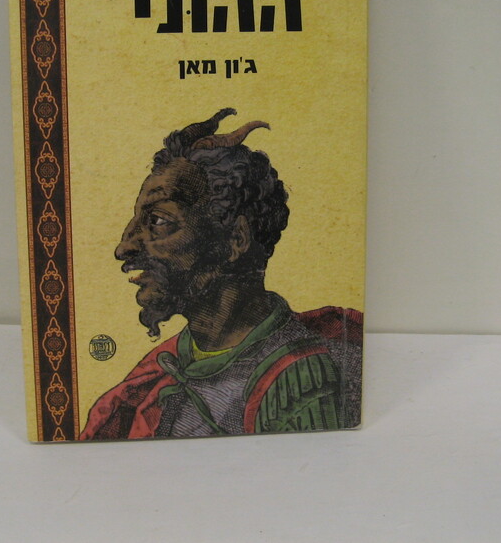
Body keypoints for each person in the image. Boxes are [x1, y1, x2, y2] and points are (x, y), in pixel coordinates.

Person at [80, 108, 362, 440]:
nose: (124, 247)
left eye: (157, 221)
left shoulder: (300, 380)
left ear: (235, 239)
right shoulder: (171, 364)